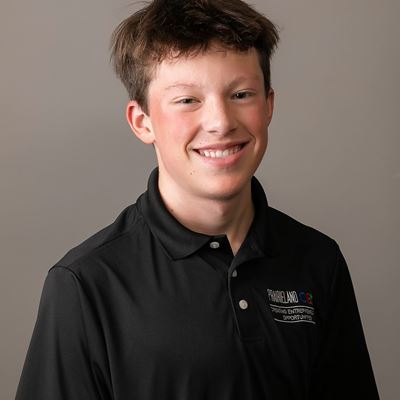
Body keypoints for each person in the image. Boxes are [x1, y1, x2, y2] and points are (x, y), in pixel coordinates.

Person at [16, 0, 380, 399]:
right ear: (142, 122)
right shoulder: (86, 284)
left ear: (269, 105)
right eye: (188, 100)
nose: (221, 122)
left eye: (241, 94)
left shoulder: (318, 261)